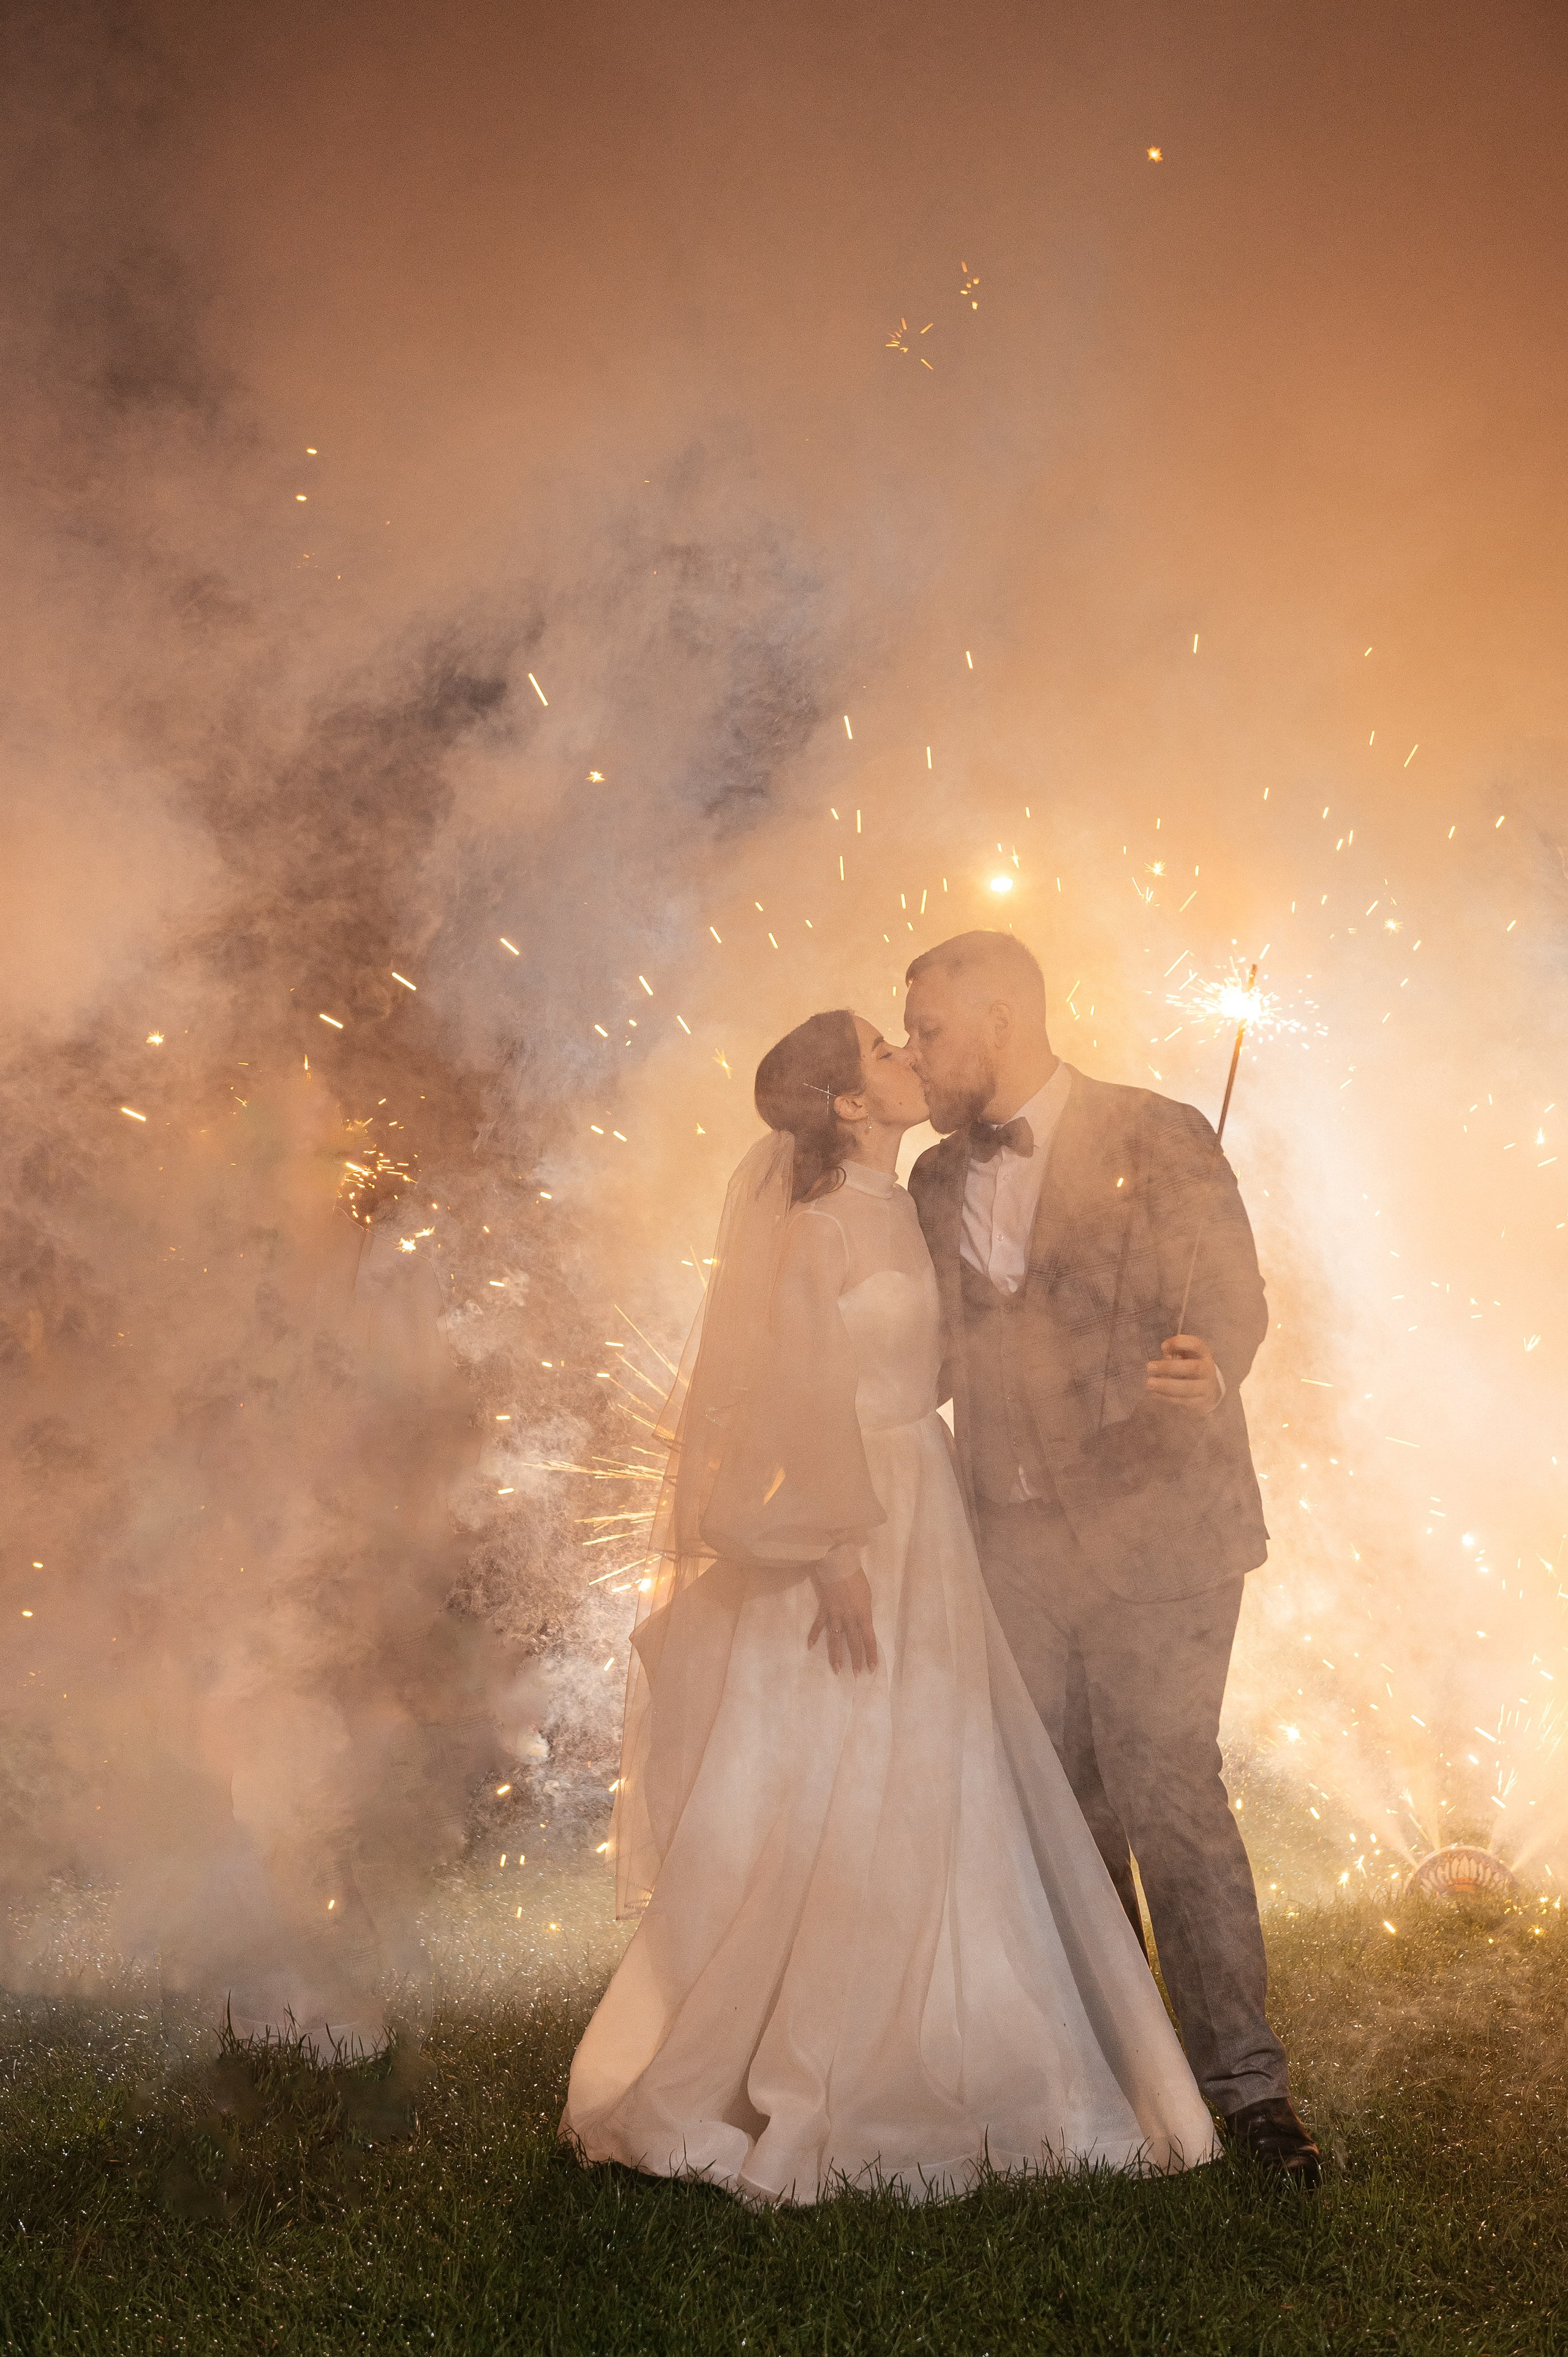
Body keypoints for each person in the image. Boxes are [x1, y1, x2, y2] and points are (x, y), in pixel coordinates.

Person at [563, 1008, 1221, 2203]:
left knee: (929, 1767)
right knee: (835, 1776)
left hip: (923, 1509)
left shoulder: (904, 1201)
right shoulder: (815, 1227)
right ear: (850, 1105)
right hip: (849, 1528)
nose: (907, 1054)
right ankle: (808, 2048)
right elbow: (787, 1401)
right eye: (880, 1047)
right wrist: (825, 1555)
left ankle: (957, 2011)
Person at [903, 930, 1319, 2186]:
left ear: (997, 1016)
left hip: (1162, 1533)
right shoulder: (928, 1180)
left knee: (1168, 1796)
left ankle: (1247, 2098)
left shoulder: (1161, 1129)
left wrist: (1209, 1362)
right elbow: (921, 1355)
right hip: (1012, 1546)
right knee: (1065, 1814)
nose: (914, 1054)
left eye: (926, 1029)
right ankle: (1128, 2081)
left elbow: (1233, 1296)